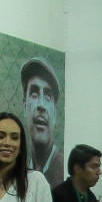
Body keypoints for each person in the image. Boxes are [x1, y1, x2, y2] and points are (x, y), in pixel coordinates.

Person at [20, 57, 64, 186]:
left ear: (55, 112)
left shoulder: (63, 172)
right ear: (24, 105)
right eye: (34, 94)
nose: (41, 105)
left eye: (48, 96)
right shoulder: (21, 172)